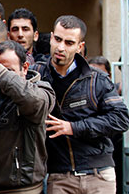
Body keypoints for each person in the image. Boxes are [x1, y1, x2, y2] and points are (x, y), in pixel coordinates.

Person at [32, 15, 129, 193]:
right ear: (51, 37)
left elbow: (121, 118)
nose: (61, 47)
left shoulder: (96, 79)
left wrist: (73, 127)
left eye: (69, 43)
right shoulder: (36, 73)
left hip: (98, 174)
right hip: (58, 175)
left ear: (80, 46)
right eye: (58, 39)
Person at [0, 40, 55, 194]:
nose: (0, 77)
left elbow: (33, 101)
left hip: (22, 189)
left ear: (25, 68)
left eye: (8, 70)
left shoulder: (42, 91)